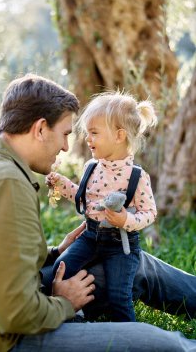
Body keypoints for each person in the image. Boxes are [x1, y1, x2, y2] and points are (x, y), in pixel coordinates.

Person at [0, 73, 195, 352]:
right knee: (163, 345)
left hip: (7, 301)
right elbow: (17, 315)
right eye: (64, 134)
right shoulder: (5, 185)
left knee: (135, 265)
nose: (66, 146)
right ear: (40, 129)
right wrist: (63, 303)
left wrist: (53, 253)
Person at [46, 92, 157, 322]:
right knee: (62, 267)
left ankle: (129, 338)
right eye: (88, 133)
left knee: (119, 295)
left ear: (119, 136)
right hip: (90, 235)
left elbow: (150, 213)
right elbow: (83, 196)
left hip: (120, 244)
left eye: (94, 133)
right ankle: (76, 314)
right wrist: (60, 183)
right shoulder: (92, 167)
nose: (88, 139)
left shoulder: (136, 176)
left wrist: (126, 219)